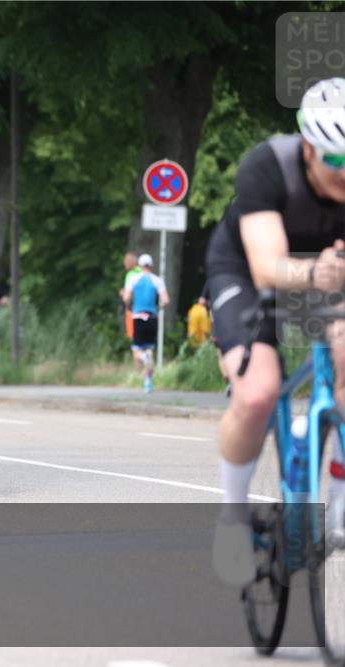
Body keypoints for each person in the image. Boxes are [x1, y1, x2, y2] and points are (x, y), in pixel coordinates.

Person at [205, 77, 345, 584]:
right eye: (335, 160)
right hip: (248, 273)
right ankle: (234, 517)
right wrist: (315, 274)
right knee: (259, 392)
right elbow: (267, 268)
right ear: (309, 148)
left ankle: (337, 493)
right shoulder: (268, 165)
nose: (344, 172)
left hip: (333, 276)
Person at [122, 254, 170, 393]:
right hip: (152, 317)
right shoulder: (157, 280)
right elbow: (166, 300)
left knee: (137, 350)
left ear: (140, 265)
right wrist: (158, 307)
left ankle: (143, 358)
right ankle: (148, 382)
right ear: (151, 265)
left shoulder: (133, 278)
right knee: (150, 349)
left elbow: (126, 297)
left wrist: (129, 306)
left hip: (138, 316)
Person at [119, 252, 141, 342]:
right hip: (145, 308)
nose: (124, 263)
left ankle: (137, 355)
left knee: (133, 337)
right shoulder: (143, 272)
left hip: (132, 308)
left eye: (126, 261)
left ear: (132, 262)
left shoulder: (130, 275)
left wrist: (123, 293)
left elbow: (128, 295)